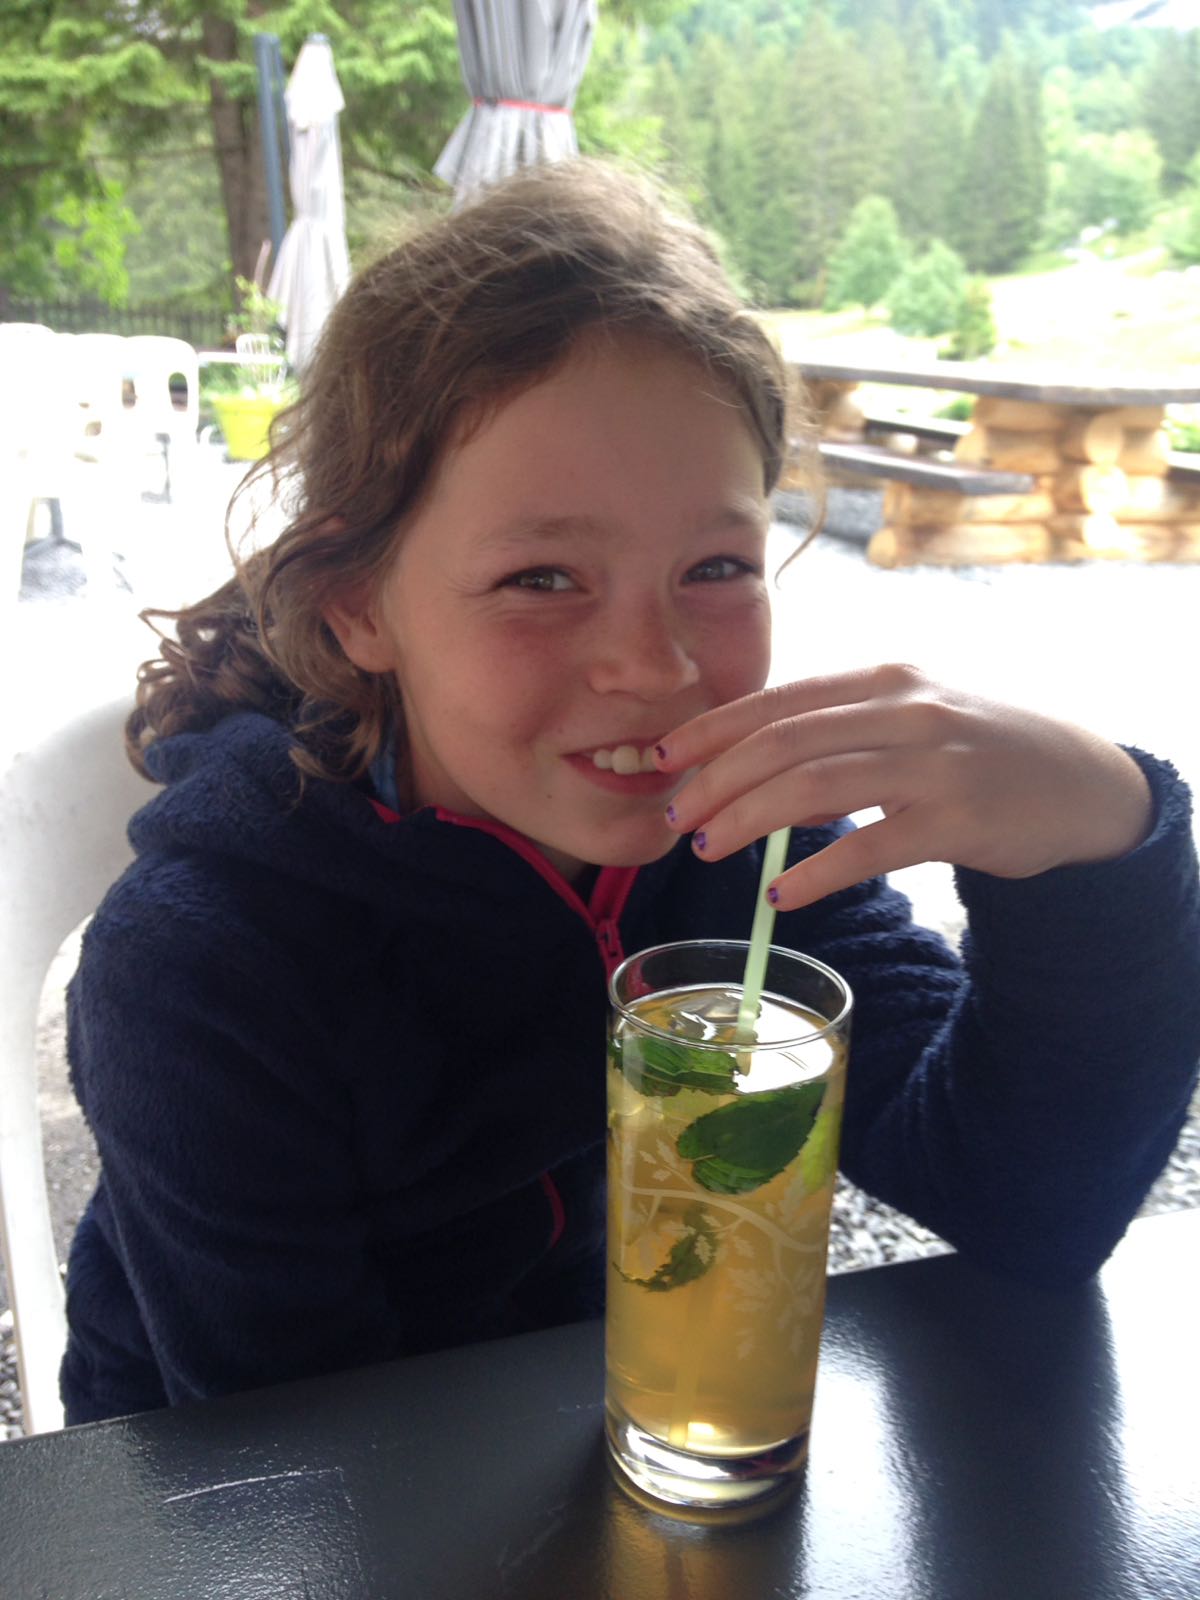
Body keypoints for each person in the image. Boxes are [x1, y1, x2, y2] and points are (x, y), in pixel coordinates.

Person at [62, 160, 1200, 1425]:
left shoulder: (743, 845)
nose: (655, 668)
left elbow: (1029, 1204)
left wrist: (1100, 842)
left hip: (608, 1428)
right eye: (542, 578)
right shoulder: (209, 965)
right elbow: (293, 1460)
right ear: (357, 604)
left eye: (716, 565)